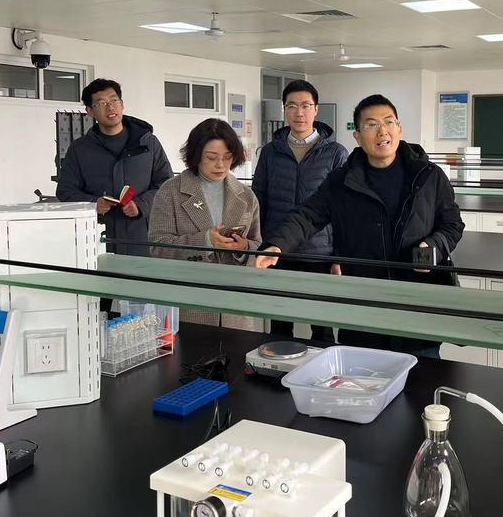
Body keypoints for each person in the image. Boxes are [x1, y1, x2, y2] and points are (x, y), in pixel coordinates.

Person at [254, 94, 464, 357]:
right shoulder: (342, 181)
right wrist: (277, 244)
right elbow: (307, 216)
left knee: (422, 377)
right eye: (371, 124)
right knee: (361, 376)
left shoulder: (428, 176)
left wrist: (432, 247)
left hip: (416, 308)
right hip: (363, 310)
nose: (382, 131)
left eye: (389, 122)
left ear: (399, 129)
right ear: (357, 136)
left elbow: (452, 224)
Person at [252, 79, 348, 342]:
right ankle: (275, 366)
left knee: (322, 326)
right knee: (279, 324)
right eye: (292, 106)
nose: (299, 112)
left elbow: (343, 210)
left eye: (306, 105)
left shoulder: (336, 153)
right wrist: (259, 245)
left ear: (316, 109)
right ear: (284, 109)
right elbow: (258, 201)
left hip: (319, 253)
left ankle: (326, 367)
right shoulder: (270, 152)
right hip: (277, 252)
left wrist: (339, 256)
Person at [149, 118, 261, 330]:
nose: (221, 165)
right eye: (211, 158)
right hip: (189, 306)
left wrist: (243, 248)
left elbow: (257, 245)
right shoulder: (171, 192)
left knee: (240, 351)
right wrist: (206, 241)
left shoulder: (246, 196)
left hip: (236, 309)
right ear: (196, 155)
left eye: (227, 157)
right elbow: (158, 247)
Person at [57, 78, 173, 257]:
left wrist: (141, 205)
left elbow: (166, 184)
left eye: (114, 100)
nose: (110, 107)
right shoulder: (79, 149)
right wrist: (93, 204)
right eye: (102, 103)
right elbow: (65, 191)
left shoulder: (148, 143)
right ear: (90, 111)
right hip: (97, 239)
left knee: (143, 274)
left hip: (142, 237)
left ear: (122, 104)